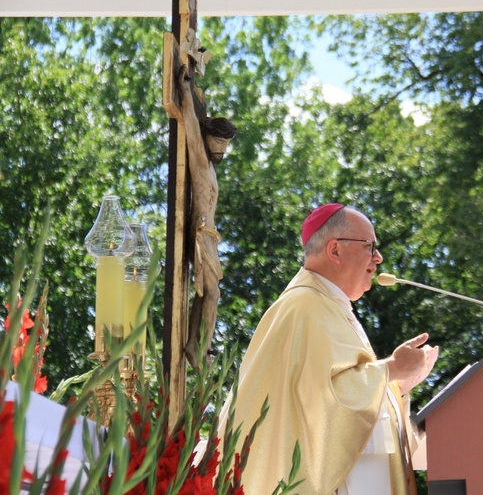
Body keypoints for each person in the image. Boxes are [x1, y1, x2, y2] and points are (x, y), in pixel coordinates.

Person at [216, 203, 439, 494]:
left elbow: (347, 391)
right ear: (335, 250)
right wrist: (392, 368)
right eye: (369, 246)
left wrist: (396, 387)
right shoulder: (303, 308)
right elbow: (322, 400)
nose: (378, 258)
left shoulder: (331, 307)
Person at [178, 65, 238, 368]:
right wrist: (186, 93)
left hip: (210, 235)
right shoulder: (200, 162)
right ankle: (200, 348)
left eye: (226, 144)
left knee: (207, 294)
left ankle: (195, 344)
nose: (222, 149)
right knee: (212, 293)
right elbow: (189, 125)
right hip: (201, 232)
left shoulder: (212, 168)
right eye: (218, 142)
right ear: (207, 137)